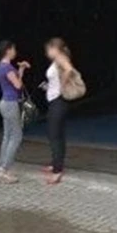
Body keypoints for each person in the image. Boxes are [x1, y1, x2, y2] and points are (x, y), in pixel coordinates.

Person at [0, 40, 30, 183]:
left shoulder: (2, 66)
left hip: (5, 102)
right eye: (13, 49)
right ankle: (4, 169)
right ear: (8, 50)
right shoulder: (7, 67)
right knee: (16, 136)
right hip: (11, 103)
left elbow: (14, 83)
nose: (15, 52)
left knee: (7, 136)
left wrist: (21, 69)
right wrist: (21, 73)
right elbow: (18, 85)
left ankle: (3, 167)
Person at [42, 37, 74, 185]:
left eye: (49, 49)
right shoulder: (57, 61)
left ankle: (57, 170)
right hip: (55, 100)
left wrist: (62, 86)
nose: (47, 52)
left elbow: (69, 69)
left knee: (54, 134)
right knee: (57, 134)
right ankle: (56, 163)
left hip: (58, 101)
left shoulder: (61, 58)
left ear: (55, 49)